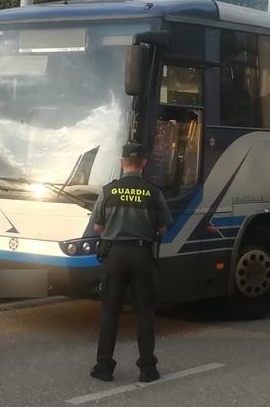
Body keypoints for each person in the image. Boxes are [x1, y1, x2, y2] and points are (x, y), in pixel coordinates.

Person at [89, 142, 173, 383]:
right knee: (145, 313)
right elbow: (163, 226)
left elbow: (98, 226)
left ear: (122, 162)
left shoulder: (108, 191)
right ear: (144, 163)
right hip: (142, 256)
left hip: (114, 256)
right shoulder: (153, 192)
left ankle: (104, 367)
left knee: (110, 313)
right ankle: (148, 369)